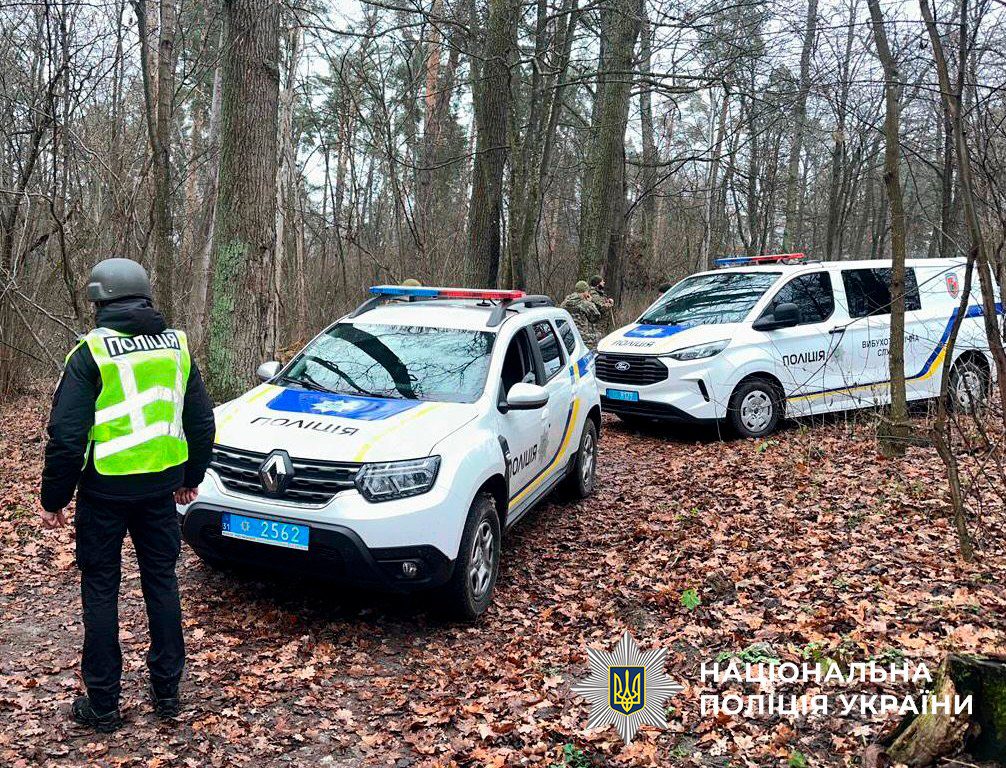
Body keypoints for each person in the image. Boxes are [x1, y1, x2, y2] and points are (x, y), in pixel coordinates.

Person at [39, 258, 215, 732]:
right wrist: (189, 475)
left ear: (100, 301)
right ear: (145, 296)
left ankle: (103, 704)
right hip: (160, 489)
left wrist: (53, 498)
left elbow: (67, 436)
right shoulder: (176, 348)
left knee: (101, 590)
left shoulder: (91, 353)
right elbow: (201, 422)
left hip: (103, 493)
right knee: (161, 583)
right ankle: (167, 693)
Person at [561, 280, 602, 347]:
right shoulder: (585, 304)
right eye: (587, 291)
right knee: (599, 336)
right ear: (585, 292)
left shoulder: (565, 302)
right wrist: (590, 303)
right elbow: (595, 317)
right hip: (581, 337)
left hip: (567, 335)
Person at [587, 274, 615, 339]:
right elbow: (602, 308)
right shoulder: (593, 293)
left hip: (602, 326)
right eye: (602, 281)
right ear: (597, 284)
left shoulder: (599, 293)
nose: (604, 283)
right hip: (597, 327)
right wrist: (610, 304)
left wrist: (607, 301)